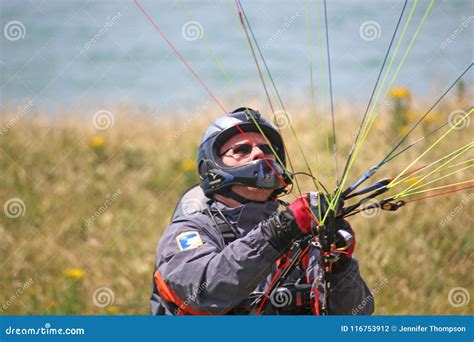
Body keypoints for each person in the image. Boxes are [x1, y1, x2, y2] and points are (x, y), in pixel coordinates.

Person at [150, 107, 374, 315]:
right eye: (242, 150)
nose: (259, 153)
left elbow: (355, 316)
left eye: (267, 149)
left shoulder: (301, 232)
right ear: (212, 166)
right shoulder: (189, 230)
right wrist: (277, 233)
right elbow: (205, 291)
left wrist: (339, 266)